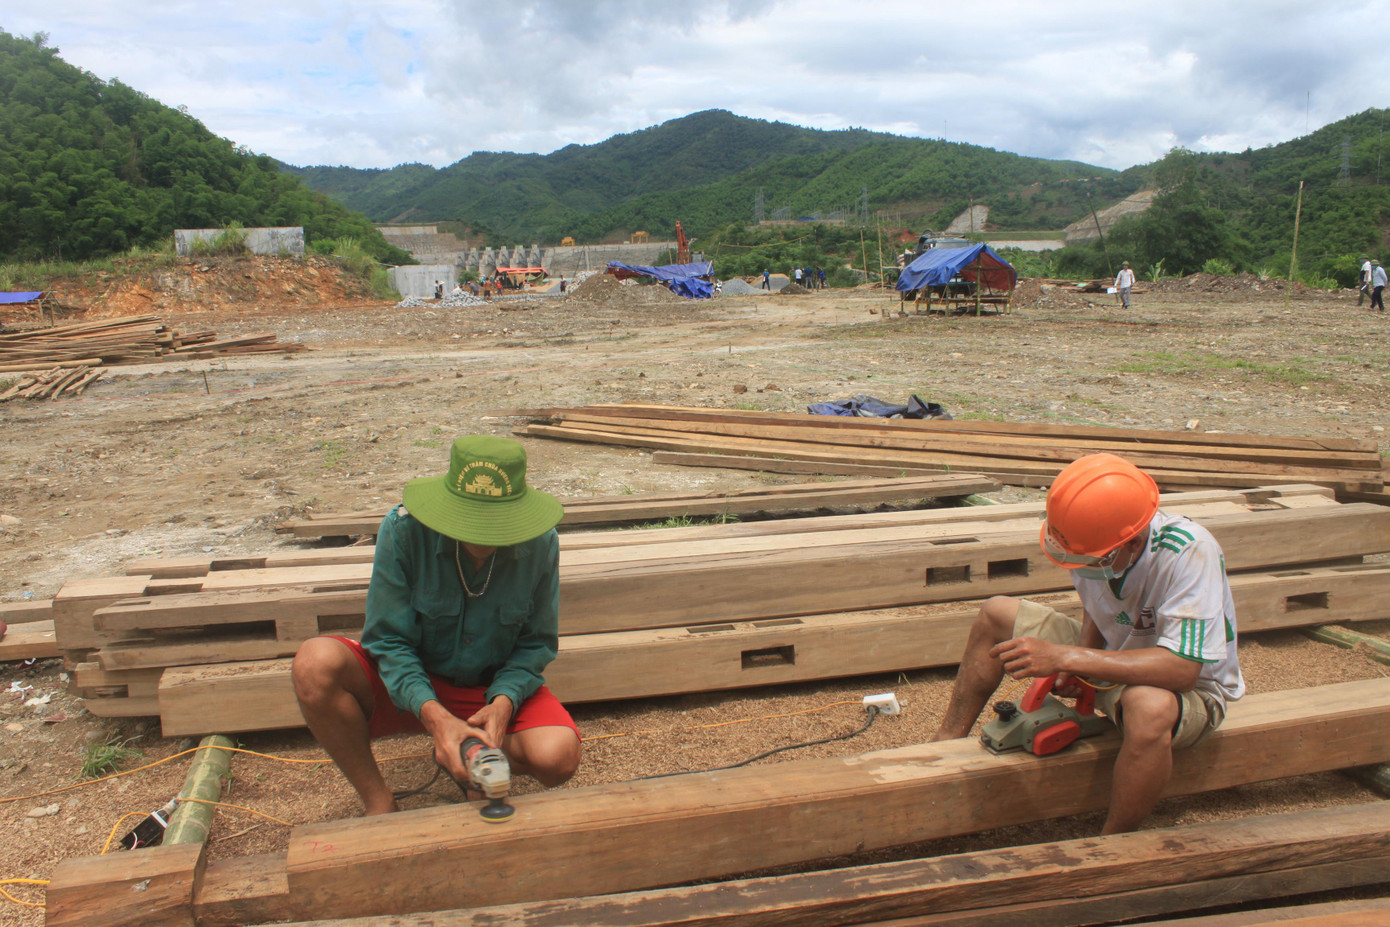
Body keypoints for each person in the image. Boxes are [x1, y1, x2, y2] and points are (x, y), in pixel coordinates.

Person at [932, 453, 1244, 835]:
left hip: (1189, 692)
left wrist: (1069, 656)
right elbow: (1099, 606)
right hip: (1111, 660)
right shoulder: (1091, 541)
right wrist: (1076, 664)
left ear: (1131, 542)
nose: (1079, 567)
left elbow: (1182, 670)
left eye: (1090, 559)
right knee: (996, 613)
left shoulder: (1189, 552)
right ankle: (943, 747)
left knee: (1149, 708)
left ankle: (1112, 843)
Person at [292, 435, 581, 816]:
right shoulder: (404, 531)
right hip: (409, 683)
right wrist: (433, 714)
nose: (483, 536)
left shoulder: (541, 543)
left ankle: (465, 754)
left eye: (496, 524)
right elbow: (388, 641)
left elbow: (536, 644)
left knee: (557, 756)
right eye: (471, 521)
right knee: (314, 663)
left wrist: (503, 703)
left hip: (484, 691)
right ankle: (378, 800)